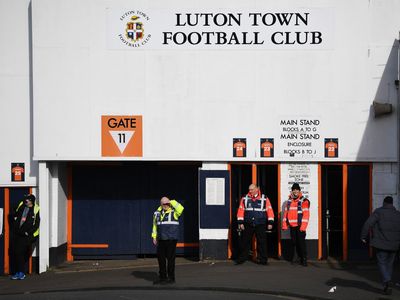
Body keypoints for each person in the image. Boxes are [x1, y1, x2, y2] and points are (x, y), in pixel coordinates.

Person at [361, 196, 400, 295]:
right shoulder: (397, 214)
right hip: (394, 245)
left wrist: (363, 236)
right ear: (392, 204)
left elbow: (368, 224)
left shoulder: (378, 212)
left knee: (382, 262)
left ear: (384, 203)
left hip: (381, 244)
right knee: (389, 264)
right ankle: (386, 285)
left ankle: (386, 280)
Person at [236, 184, 274, 265]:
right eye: (249, 189)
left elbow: (269, 210)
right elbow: (240, 211)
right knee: (245, 242)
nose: (250, 191)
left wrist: (270, 222)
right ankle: (242, 258)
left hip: (260, 223)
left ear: (257, 189)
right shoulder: (245, 198)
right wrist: (240, 222)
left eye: (252, 189)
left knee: (262, 242)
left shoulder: (264, 198)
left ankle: (263, 260)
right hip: (248, 223)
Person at [152, 196, 184, 284]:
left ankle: (171, 278)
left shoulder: (175, 212)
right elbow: (154, 226)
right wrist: (154, 237)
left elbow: (181, 208)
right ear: (161, 204)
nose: (166, 205)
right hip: (161, 239)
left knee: (170, 259)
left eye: (167, 204)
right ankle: (162, 277)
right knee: (161, 259)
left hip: (171, 239)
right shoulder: (156, 213)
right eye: (164, 204)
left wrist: (171, 201)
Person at [10, 194, 40, 280]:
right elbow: (14, 213)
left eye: (27, 200)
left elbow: (36, 224)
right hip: (17, 233)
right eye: (25, 200)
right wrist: (14, 225)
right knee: (16, 253)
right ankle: (18, 272)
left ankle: (21, 272)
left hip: (26, 236)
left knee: (21, 253)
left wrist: (28, 233)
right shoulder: (22, 206)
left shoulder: (35, 209)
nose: (25, 201)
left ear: (31, 201)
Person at [282, 183, 310, 266]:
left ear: (299, 190)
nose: (295, 191)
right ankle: (298, 258)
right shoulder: (289, 201)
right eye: (294, 190)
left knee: (301, 243)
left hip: (300, 226)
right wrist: (284, 225)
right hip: (292, 226)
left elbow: (306, 215)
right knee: (294, 242)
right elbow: (286, 213)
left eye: (297, 189)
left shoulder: (303, 201)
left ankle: (304, 259)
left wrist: (303, 227)